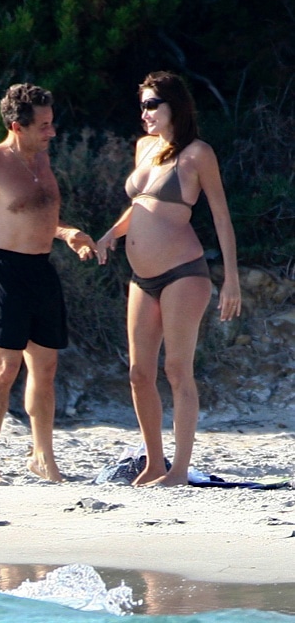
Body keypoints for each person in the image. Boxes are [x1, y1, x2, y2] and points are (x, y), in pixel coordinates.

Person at [0, 83, 96, 485]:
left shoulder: (42, 163)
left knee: (45, 368)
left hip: (40, 270)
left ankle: (42, 457)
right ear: (17, 126)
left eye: (51, 122)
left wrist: (68, 235)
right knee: (4, 367)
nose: (52, 132)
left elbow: (37, 218)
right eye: (43, 125)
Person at [96, 71, 241, 487]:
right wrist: (110, 234)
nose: (143, 113)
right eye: (141, 105)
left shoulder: (197, 154)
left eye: (150, 105)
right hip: (141, 279)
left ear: (174, 106)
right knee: (139, 373)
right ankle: (154, 463)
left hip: (184, 273)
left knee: (177, 370)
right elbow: (142, 206)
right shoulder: (144, 147)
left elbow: (221, 217)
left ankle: (178, 470)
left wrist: (231, 279)